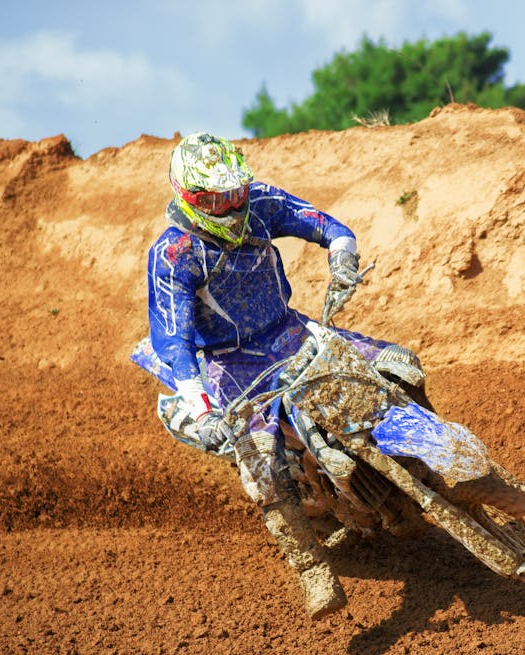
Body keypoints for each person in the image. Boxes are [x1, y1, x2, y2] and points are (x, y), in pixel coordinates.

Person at [129, 132, 426, 619]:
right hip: (230, 361)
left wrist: (343, 256)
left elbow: (322, 224)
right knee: (260, 464)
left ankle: (429, 458)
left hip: (288, 329)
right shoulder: (174, 253)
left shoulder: (260, 201)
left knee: (399, 364)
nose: (229, 205)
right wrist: (203, 410)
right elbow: (171, 339)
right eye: (215, 198)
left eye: (234, 192)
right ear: (189, 198)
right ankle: (311, 566)